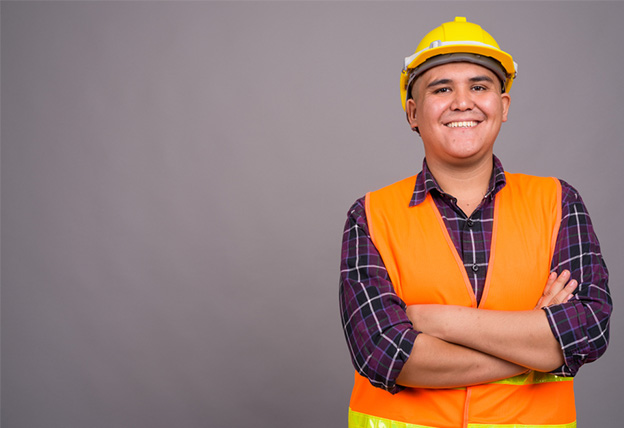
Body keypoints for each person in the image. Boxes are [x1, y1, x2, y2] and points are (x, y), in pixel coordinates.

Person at [339, 16, 612, 428]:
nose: (462, 102)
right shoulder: (370, 215)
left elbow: (588, 330)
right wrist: (536, 345)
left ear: (503, 106)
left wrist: (436, 321)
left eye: (479, 87)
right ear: (413, 113)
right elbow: (385, 353)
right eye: (441, 88)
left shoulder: (558, 202)